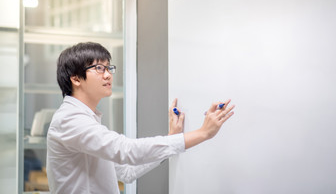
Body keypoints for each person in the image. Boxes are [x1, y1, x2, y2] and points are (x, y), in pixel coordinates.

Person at [46, 42, 235, 194]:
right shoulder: (70, 120)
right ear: (76, 79)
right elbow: (126, 150)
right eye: (99, 68)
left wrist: (172, 138)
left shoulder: (87, 119)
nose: (108, 75)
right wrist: (203, 133)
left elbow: (127, 172)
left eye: (109, 68)